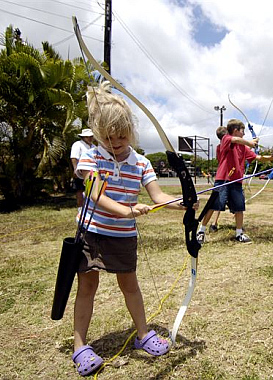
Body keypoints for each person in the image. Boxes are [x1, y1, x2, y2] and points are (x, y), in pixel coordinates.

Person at [71, 81, 198, 376]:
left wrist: (185, 203)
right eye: (108, 137)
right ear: (98, 134)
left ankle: (143, 334)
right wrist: (127, 210)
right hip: (91, 232)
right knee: (87, 286)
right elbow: (96, 195)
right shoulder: (92, 156)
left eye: (122, 136)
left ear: (132, 132)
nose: (115, 143)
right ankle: (80, 346)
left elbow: (158, 197)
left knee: (130, 285)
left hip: (123, 236)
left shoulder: (141, 163)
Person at [197, 119, 273, 244]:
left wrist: (272, 158)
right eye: (242, 131)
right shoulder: (226, 139)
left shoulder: (243, 147)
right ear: (235, 130)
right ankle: (201, 231)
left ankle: (239, 233)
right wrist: (250, 143)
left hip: (237, 180)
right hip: (223, 179)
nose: (244, 134)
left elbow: (257, 157)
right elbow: (236, 140)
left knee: (239, 207)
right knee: (214, 205)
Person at [209, 126, 228, 233]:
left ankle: (239, 225)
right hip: (223, 177)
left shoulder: (220, 147)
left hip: (230, 176)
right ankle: (213, 223)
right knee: (218, 201)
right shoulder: (222, 147)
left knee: (236, 201)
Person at [70, 128, 95, 207]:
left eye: (91, 136)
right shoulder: (78, 144)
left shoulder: (93, 146)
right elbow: (74, 157)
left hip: (92, 170)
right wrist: (75, 169)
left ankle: (88, 205)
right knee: (80, 189)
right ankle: (80, 207)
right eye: (88, 137)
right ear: (83, 137)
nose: (90, 138)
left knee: (91, 188)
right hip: (81, 170)